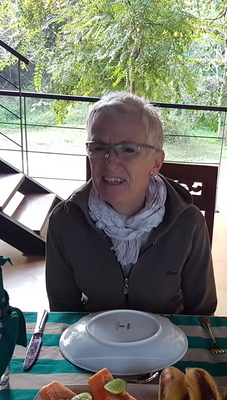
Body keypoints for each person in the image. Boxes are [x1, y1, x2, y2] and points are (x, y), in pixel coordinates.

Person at [45, 92, 217, 315]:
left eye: (128, 149)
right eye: (99, 148)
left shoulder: (189, 223)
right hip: (95, 340)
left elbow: (201, 313)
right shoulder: (65, 221)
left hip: (167, 341)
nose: (110, 162)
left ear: (156, 162)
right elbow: (64, 312)